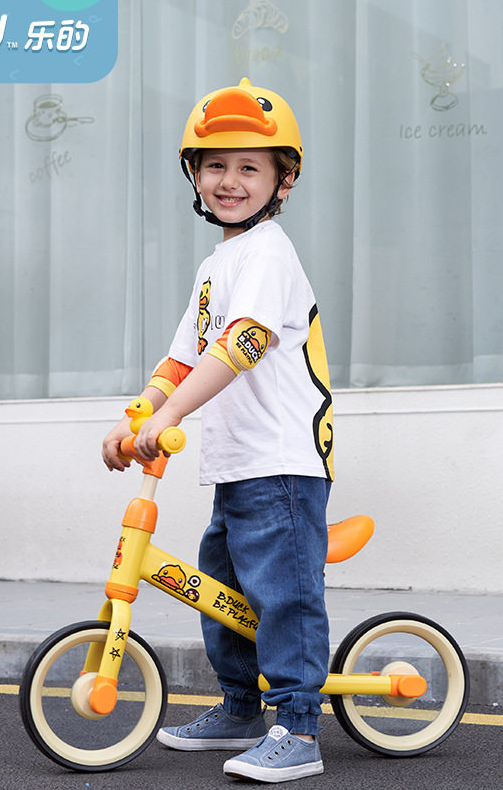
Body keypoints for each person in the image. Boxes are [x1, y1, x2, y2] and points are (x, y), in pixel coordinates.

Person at [101, 77, 334, 783]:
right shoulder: (216, 264)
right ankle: (240, 707)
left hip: (282, 463)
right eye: (214, 165)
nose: (228, 181)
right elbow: (183, 357)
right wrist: (138, 413)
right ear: (194, 175)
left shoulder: (268, 253)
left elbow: (243, 342)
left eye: (249, 167)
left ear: (283, 180)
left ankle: (298, 728)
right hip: (237, 465)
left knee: (283, 598)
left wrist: (171, 415)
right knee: (225, 597)